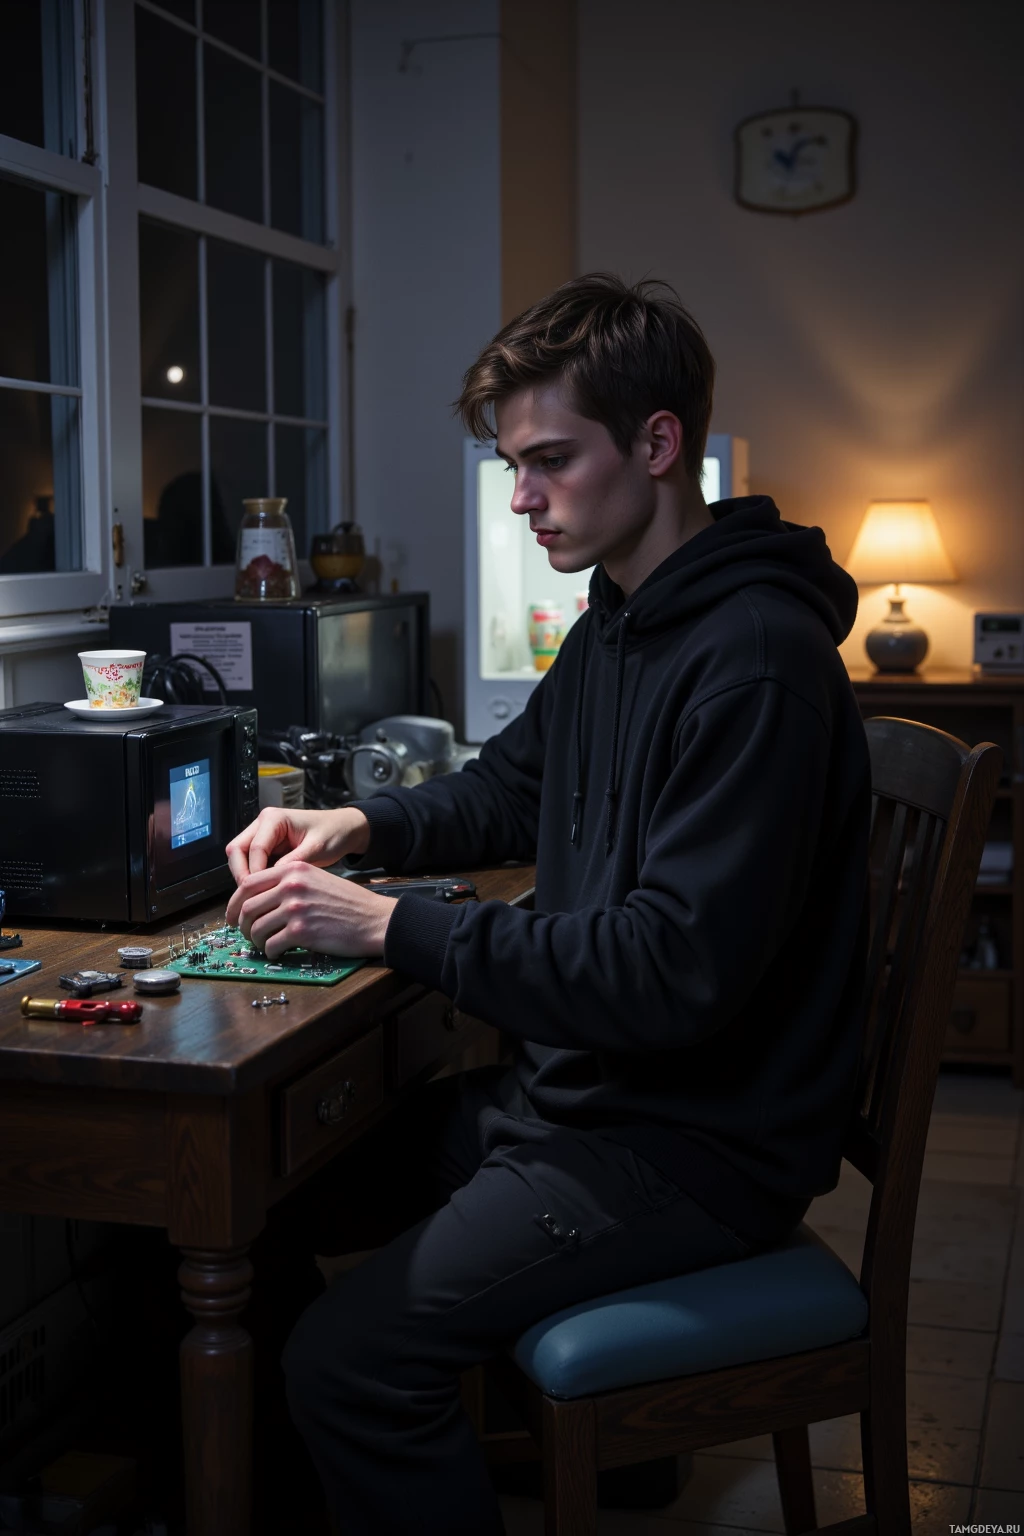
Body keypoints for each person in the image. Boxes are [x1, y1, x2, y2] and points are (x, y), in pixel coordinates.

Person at [225, 273, 871, 1536]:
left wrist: (389, 926)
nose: (520, 498)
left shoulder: (751, 658)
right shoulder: (623, 619)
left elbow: (665, 972)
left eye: (547, 462)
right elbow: (510, 791)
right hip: (586, 1103)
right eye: (513, 464)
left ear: (658, 442)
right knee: (247, 1216)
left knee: (349, 1363)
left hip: (687, 1147)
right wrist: (359, 823)